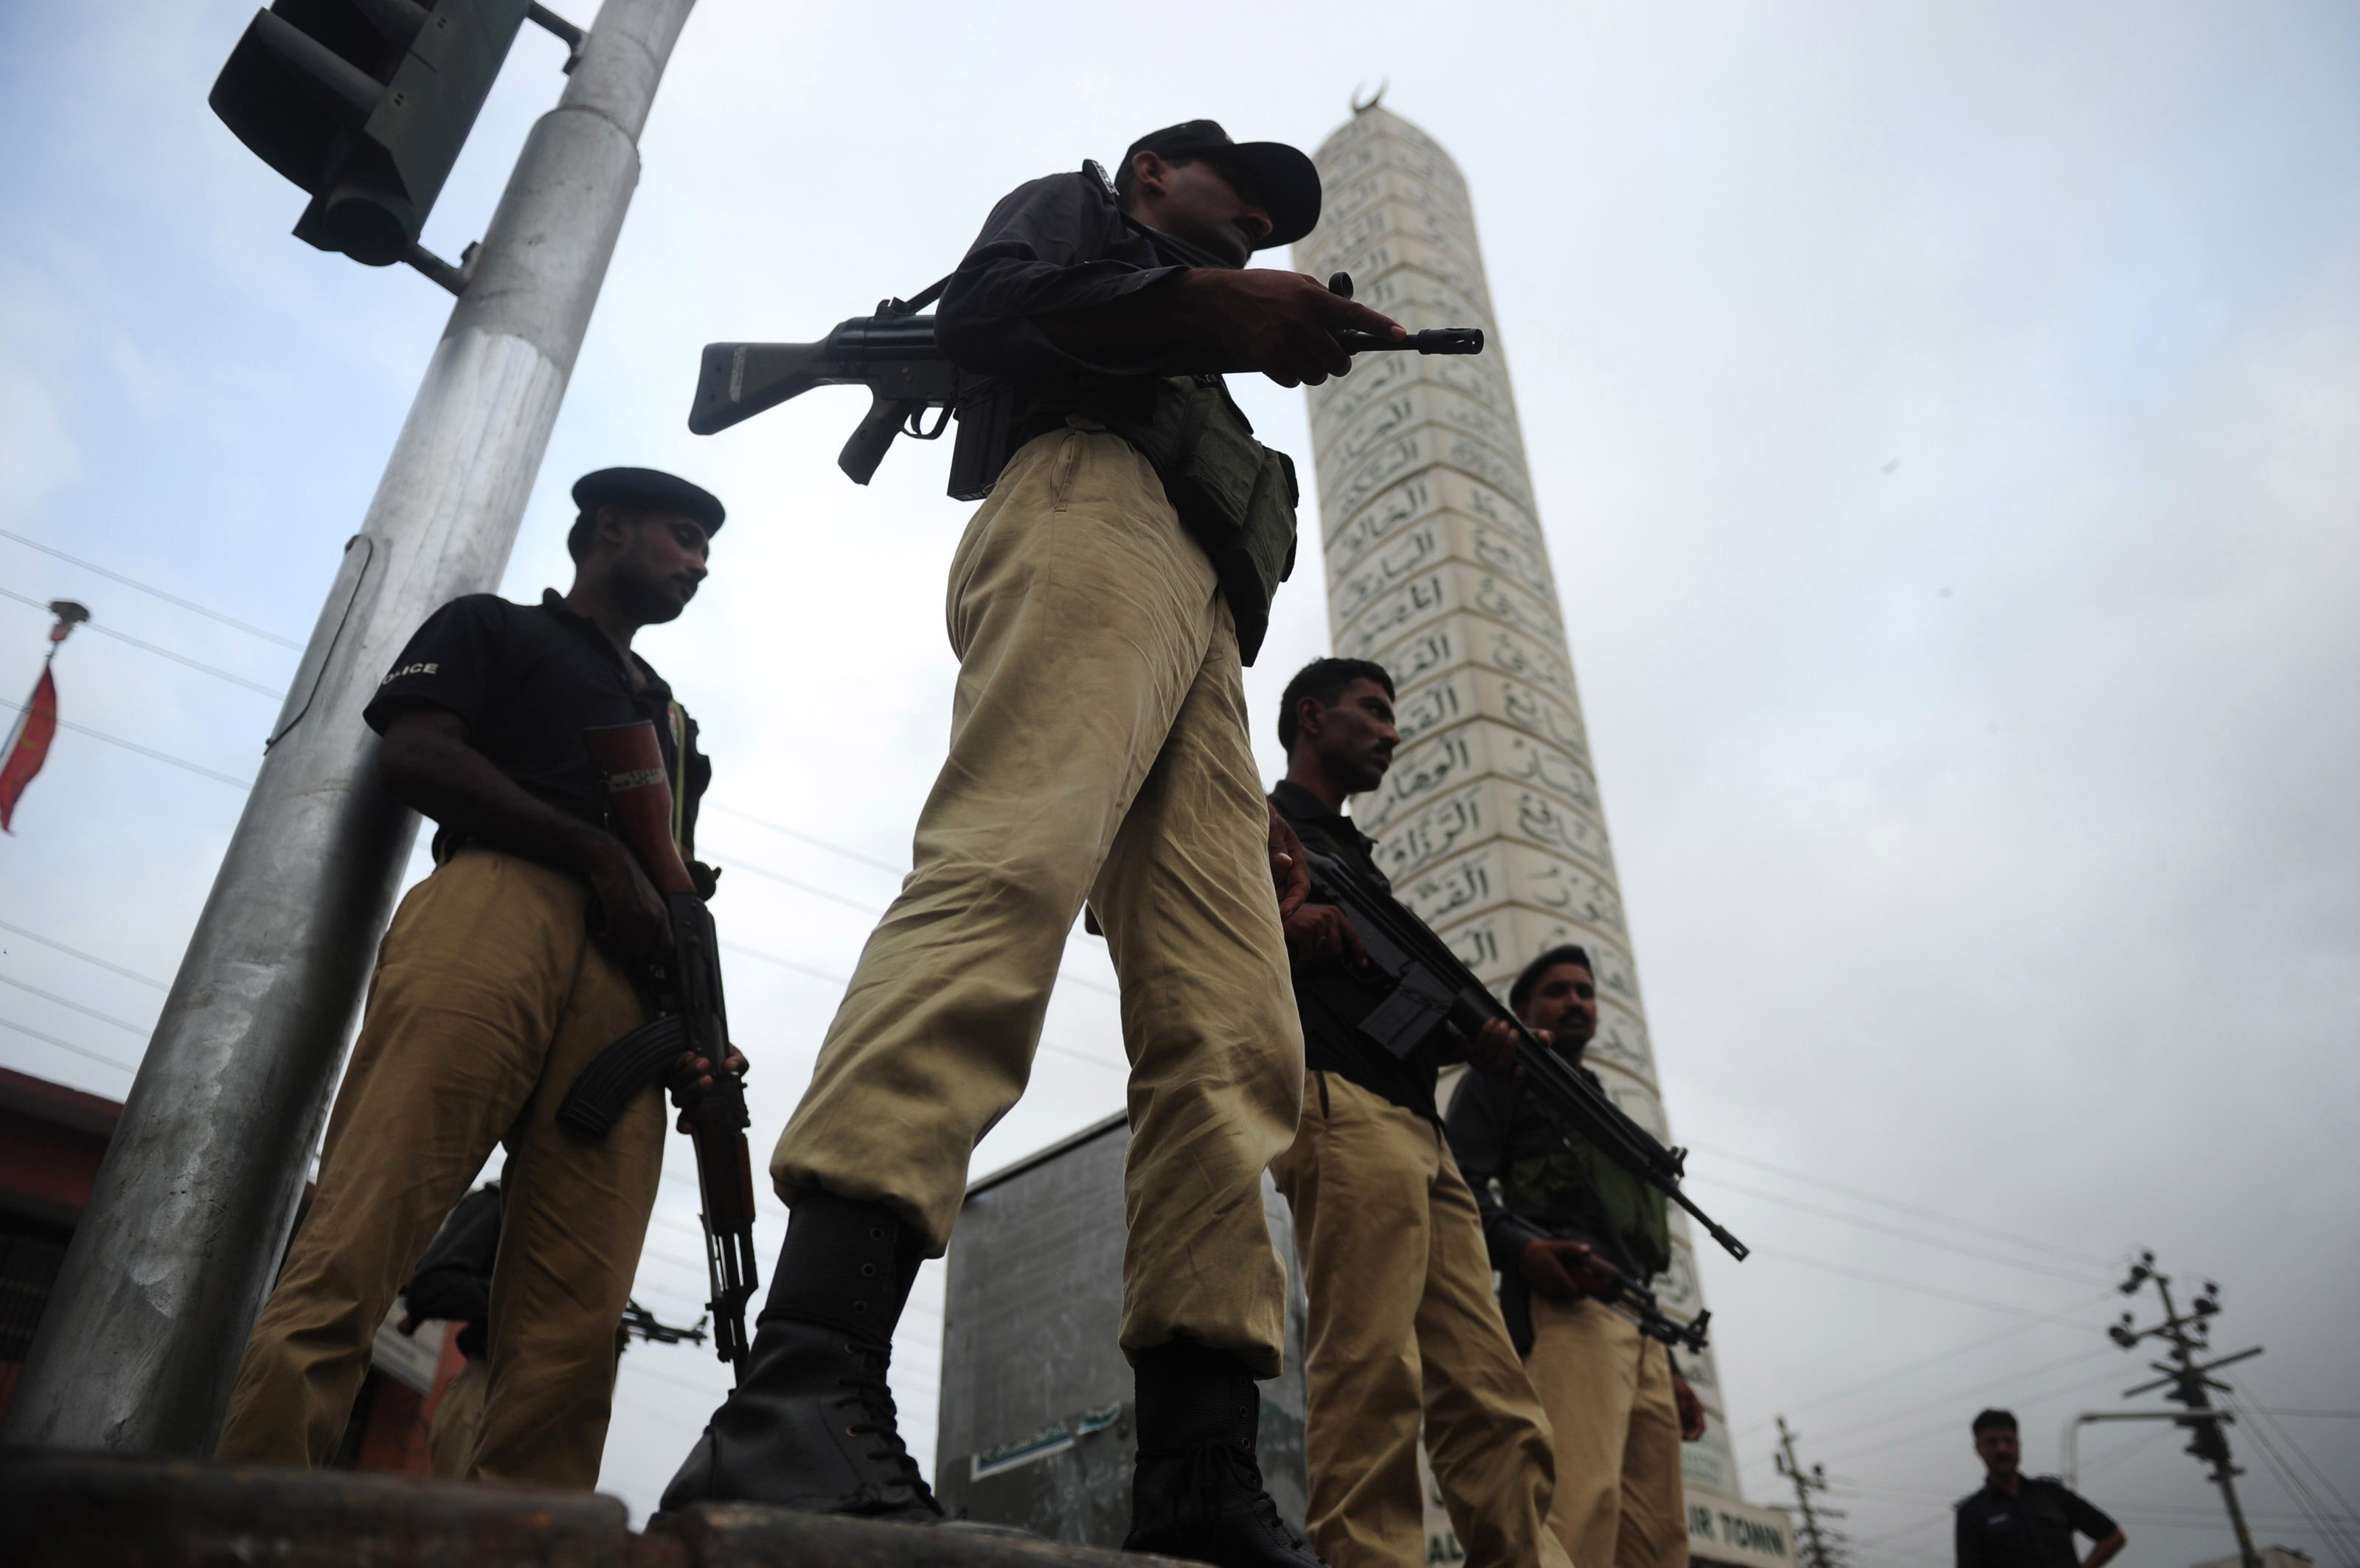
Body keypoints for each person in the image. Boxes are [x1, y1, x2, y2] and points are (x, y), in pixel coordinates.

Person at [659, 122, 1403, 1568]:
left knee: (1236, 1029)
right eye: (1232, 188)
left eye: (1269, 215)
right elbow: (999, 313)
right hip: (1088, 515)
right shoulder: (1072, 216)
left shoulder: (1194, 344)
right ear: (1147, 173)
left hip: (1199, 637)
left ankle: (1196, 1471)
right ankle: (804, 1387)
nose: (1254, 216)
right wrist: (1222, 311)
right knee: (1005, 876)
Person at [215, 467, 734, 1488]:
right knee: (357, 1245)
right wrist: (590, 854)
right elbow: (415, 757)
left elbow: (670, 889)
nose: (699, 562)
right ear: (606, 529)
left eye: (707, 548)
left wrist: (697, 1031)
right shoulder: (493, 629)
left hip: (626, 995)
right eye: (681, 536)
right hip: (495, 909)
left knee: (571, 1340)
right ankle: (245, 1519)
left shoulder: (677, 727)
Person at [1263, 658, 1573, 1568]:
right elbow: (1210, 931)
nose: (1392, 732)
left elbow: (1394, 998)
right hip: (1339, 1104)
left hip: (1415, 1126)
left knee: (1493, 1398)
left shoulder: (1354, 858)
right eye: (1373, 711)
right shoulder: (1265, 825)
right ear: (1310, 718)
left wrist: (1473, 1039)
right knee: (1370, 1370)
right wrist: (1292, 931)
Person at [1446, 946, 1709, 1568]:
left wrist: (1668, 1364)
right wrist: (1524, 1249)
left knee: (1658, 1541)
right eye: (1558, 991)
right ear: (1522, 1009)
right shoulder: (1503, 1073)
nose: (1575, 1003)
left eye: (1584, 993)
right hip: (1568, 1313)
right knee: (1574, 1511)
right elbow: (1454, 1184)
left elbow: (1626, 1245)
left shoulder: (1599, 1107)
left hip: (1638, 1326)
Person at [1955, 1409, 2126, 1568]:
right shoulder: (1971, 1513)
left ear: (2018, 1446)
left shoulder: (2052, 1495)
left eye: (2008, 1441)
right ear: (1979, 1449)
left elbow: (2113, 1537)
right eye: (1992, 1442)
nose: (2002, 1449)